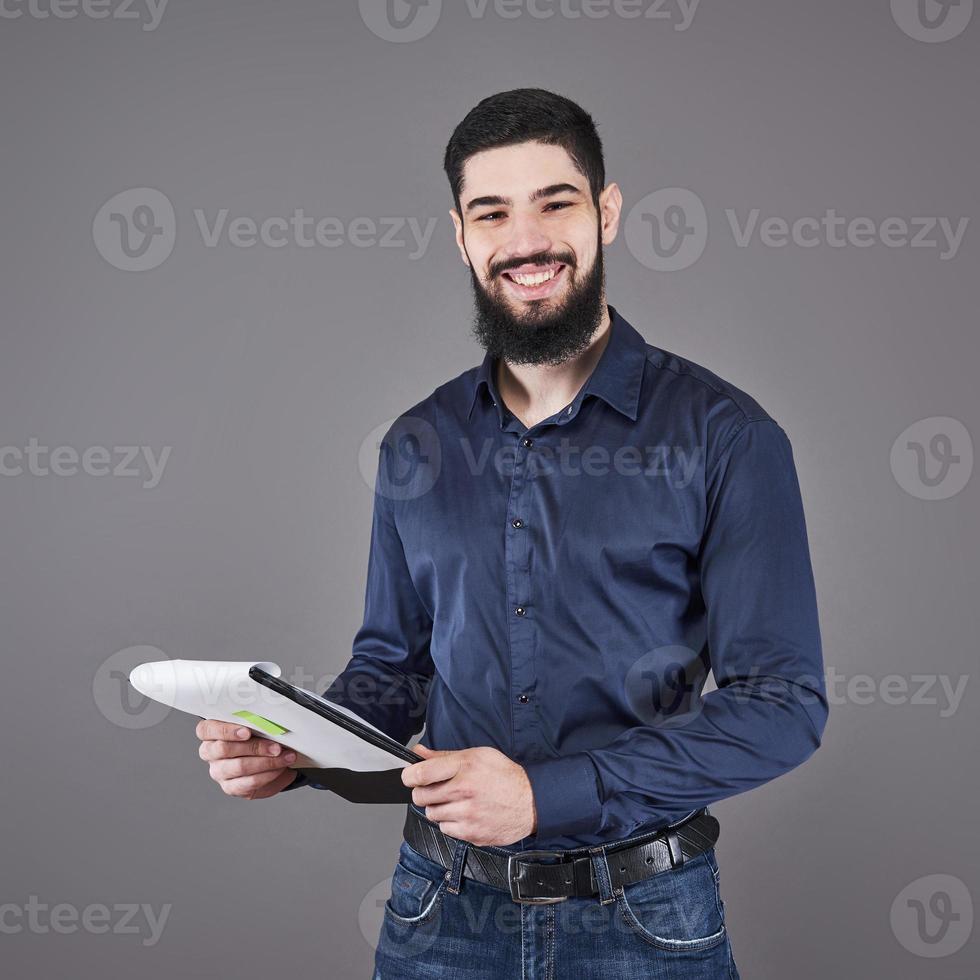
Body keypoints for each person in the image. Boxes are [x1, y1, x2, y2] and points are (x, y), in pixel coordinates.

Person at [195, 87, 828, 978]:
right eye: (492, 212)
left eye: (555, 203)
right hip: (438, 914)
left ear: (605, 213)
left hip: (645, 924)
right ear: (462, 235)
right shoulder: (416, 443)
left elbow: (782, 707)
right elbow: (393, 671)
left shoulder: (728, 437)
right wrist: (304, 747)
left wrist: (546, 796)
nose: (525, 241)